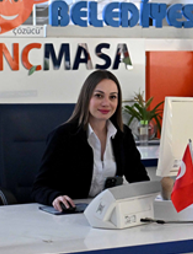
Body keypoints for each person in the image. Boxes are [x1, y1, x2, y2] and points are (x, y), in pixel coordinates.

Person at [32, 71, 149, 211]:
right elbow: (39, 187)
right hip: (72, 213)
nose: (106, 103)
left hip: (108, 213)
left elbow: (140, 180)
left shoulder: (123, 135)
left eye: (112, 97)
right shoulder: (63, 136)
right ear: (86, 98)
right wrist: (55, 197)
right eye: (99, 95)